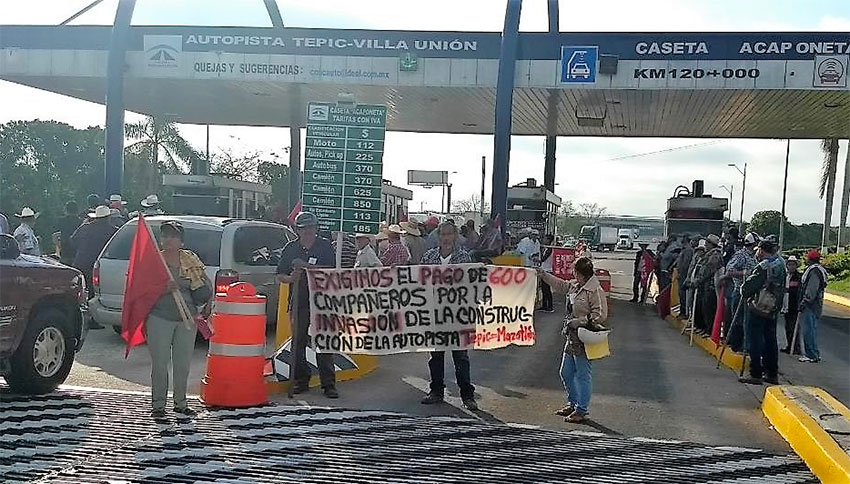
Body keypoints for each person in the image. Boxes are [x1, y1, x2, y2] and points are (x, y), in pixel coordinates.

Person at [147, 220, 212, 418]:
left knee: (182, 363)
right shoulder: (154, 262)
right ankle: (158, 405)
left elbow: (205, 285)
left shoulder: (191, 261)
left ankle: (180, 403)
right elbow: (142, 291)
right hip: (160, 317)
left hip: (187, 318)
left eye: (173, 236)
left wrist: (208, 304)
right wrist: (162, 289)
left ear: (181, 241)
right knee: (159, 363)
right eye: (165, 235)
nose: (168, 240)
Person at [276, 212, 338, 397]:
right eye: (304, 228)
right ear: (298, 230)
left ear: (316, 228)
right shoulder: (290, 248)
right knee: (298, 342)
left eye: (311, 228)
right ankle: (301, 380)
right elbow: (280, 275)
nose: (308, 232)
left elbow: (332, 270)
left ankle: (329, 384)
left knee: (324, 342)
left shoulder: (325, 246)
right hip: (299, 300)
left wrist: (307, 267)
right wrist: (291, 277)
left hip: (322, 301)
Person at [539, 257, 608, 423]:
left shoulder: (594, 291)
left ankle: (581, 409)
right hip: (572, 336)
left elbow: (601, 315)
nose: (573, 274)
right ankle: (573, 403)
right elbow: (561, 285)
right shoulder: (577, 286)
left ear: (580, 273)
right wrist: (544, 275)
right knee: (566, 372)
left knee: (583, 375)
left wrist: (581, 320)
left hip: (584, 337)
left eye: (574, 272)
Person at [420, 221, 477, 410]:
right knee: (435, 356)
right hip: (435, 315)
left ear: (454, 237)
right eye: (442, 235)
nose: (445, 238)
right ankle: (436, 391)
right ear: (438, 236)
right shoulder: (429, 257)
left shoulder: (464, 258)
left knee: (461, 357)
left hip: (457, 316)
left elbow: (471, 286)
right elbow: (418, 283)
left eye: (448, 234)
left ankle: (467, 395)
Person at [739, 237, 786, 385]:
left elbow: (749, 287)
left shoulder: (764, 266)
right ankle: (772, 373)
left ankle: (756, 373)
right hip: (773, 307)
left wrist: (743, 289)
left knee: (755, 340)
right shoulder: (781, 263)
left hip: (759, 306)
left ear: (762, 250)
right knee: (770, 340)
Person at [722, 232, 760, 351]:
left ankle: (746, 346)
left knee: (748, 321)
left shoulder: (754, 256)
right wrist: (744, 273)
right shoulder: (741, 255)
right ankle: (737, 345)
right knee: (738, 320)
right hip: (740, 291)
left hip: (751, 293)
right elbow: (729, 271)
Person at [798, 250, 827, 363]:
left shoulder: (814, 272)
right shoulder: (819, 270)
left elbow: (811, 289)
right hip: (815, 304)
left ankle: (811, 354)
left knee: (808, 330)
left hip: (811, 305)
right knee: (812, 329)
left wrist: (805, 301)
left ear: (809, 259)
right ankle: (814, 353)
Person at [694, 234, 722, 336]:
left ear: (712, 244)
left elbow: (709, 271)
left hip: (710, 287)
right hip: (704, 286)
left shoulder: (715, 255)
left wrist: (699, 280)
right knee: (703, 308)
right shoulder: (708, 254)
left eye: (707, 242)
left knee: (709, 309)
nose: (705, 244)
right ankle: (704, 328)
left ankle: (709, 330)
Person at [781, 255, 803, 355]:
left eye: (793, 265)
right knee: (787, 327)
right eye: (789, 264)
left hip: (793, 305)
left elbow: (797, 291)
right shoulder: (784, 276)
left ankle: (795, 347)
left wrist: (787, 290)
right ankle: (790, 346)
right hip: (785, 304)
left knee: (793, 327)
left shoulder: (798, 277)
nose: (791, 267)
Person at [55, 200, 82, 265]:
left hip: (64, 251)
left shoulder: (61, 221)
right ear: (77, 210)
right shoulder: (81, 222)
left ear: (66, 210)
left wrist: (58, 246)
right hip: (77, 252)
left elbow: (55, 235)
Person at [676, 235, 694, 318]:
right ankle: (682, 311)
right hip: (681, 274)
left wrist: (681, 274)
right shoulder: (684, 249)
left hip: (684, 275)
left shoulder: (688, 250)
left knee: (683, 295)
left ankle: (684, 312)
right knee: (681, 294)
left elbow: (686, 264)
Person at [539, 234, 555, 312]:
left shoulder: (550, 249)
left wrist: (537, 260)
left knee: (547, 289)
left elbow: (543, 259)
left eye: (545, 239)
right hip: (544, 270)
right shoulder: (545, 248)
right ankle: (544, 305)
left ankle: (550, 306)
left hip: (548, 271)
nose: (543, 240)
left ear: (548, 240)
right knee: (543, 289)